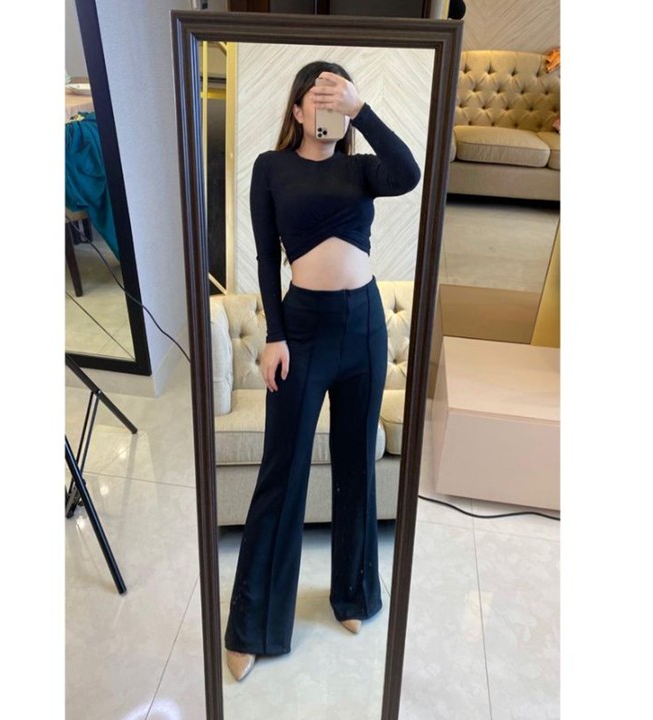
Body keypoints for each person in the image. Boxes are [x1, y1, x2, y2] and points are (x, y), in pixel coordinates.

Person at [224, 60, 421, 682]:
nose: (328, 106)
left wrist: (364, 111)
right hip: (303, 329)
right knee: (281, 471)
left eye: (339, 98)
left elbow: (409, 173)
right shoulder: (271, 168)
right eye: (319, 96)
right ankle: (254, 625)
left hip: (364, 326)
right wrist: (275, 335)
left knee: (357, 461)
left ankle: (354, 595)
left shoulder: (362, 169)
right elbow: (266, 258)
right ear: (296, 109)